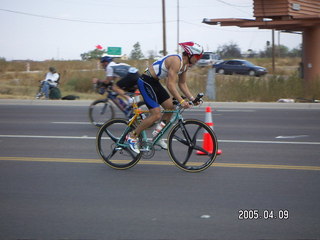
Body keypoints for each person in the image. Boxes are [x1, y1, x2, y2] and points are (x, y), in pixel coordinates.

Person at [126, 41, 204, 154]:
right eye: (198, 56)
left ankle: (158, 135)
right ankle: (132, 137)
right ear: (190, 54)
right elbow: (170, 85)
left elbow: (182, 84)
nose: (198, 59)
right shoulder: (176, 61)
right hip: (145, 81)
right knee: (156, 114)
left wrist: (192, 99)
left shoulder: (185, 66)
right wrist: (182, 101)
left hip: (155, 82)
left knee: (170, 108)